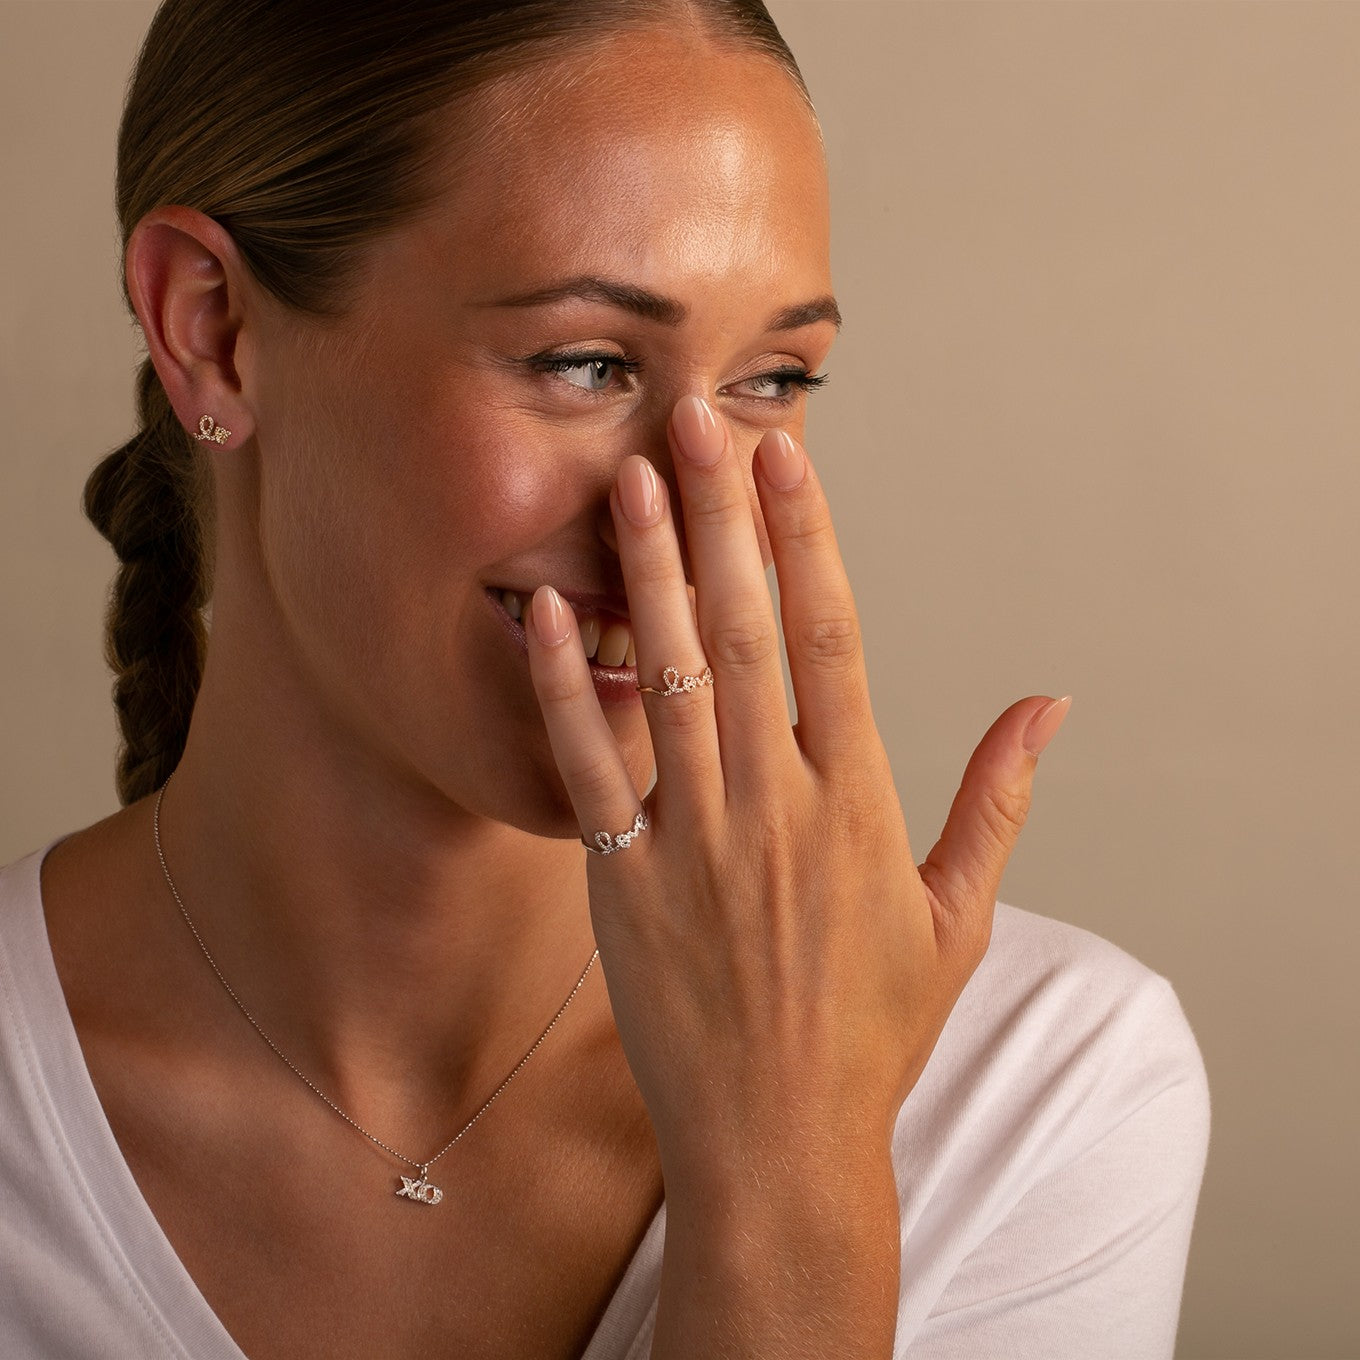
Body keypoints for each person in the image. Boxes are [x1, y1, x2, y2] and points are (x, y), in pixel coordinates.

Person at [0, 2, 1209, 1356]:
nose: (699, 515)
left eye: (772, 378)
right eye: (585, 362)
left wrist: (794, 1166)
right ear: (213, 329)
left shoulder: (1041, 1090)